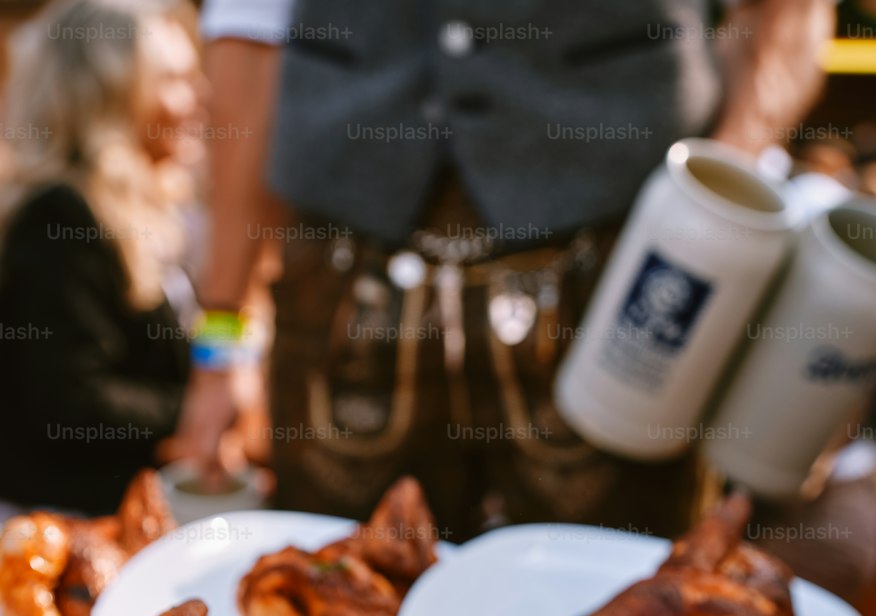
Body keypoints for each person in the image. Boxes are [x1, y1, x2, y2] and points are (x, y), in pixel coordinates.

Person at [174, 0, 837, 541]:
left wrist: (706, 223)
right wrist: (221, 337)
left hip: (616, 288)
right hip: (343, 294)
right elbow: (251, 34)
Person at [0, 0, 203, 514]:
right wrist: (197, 410)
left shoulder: (142, 206)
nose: (198, 97)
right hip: (66, 524)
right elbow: (68, 403)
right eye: (173, 80)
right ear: (110, 96)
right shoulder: (59, 216)